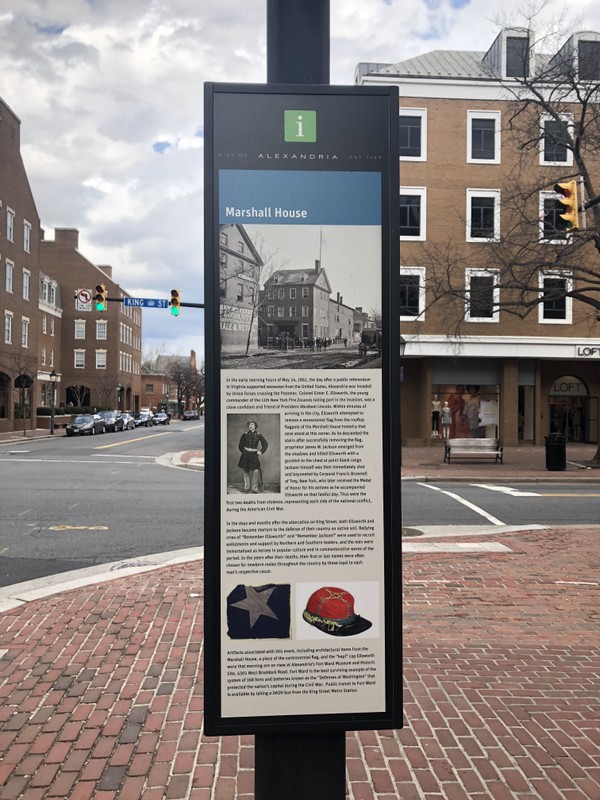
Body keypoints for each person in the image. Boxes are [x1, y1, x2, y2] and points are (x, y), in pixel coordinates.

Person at [238, 420, 268, 493]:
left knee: (256, 471)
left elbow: (265, 444)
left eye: (252, 424)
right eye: (249, 425)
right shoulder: (244, 435)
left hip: (254, 455)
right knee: (246, 471)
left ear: (255, 426)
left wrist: (260, 451)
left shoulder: (258, 435)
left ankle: (254, 488)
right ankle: (246, 488)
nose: (250, 426)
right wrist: (244, 452)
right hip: (245, 455)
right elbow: (240, 445)